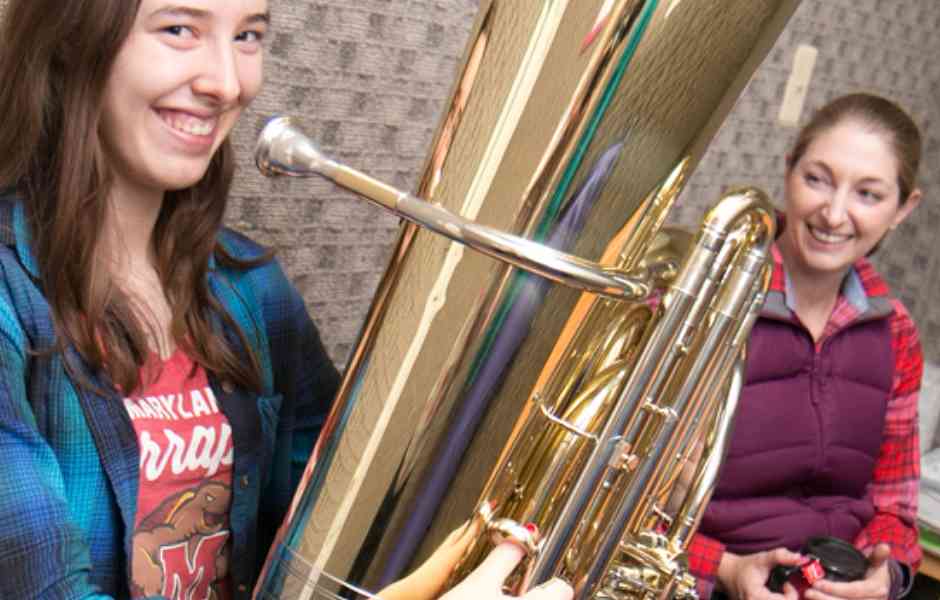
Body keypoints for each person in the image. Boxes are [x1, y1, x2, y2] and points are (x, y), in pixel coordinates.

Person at [0, 1, 575, 599]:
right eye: (179, 30)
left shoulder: (253, 289)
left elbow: (354, 521)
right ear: (70, 38)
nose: (227, 83)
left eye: (248, 36)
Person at [686, 93, 925, 600]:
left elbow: (895, 509)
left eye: (868, 194)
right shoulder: (706, 298)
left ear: (904, 208)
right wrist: (726, 570)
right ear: (789, 167)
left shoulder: (897, 332)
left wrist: (884, 576)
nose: (834, 214)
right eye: (817, 179)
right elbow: (616, 501)